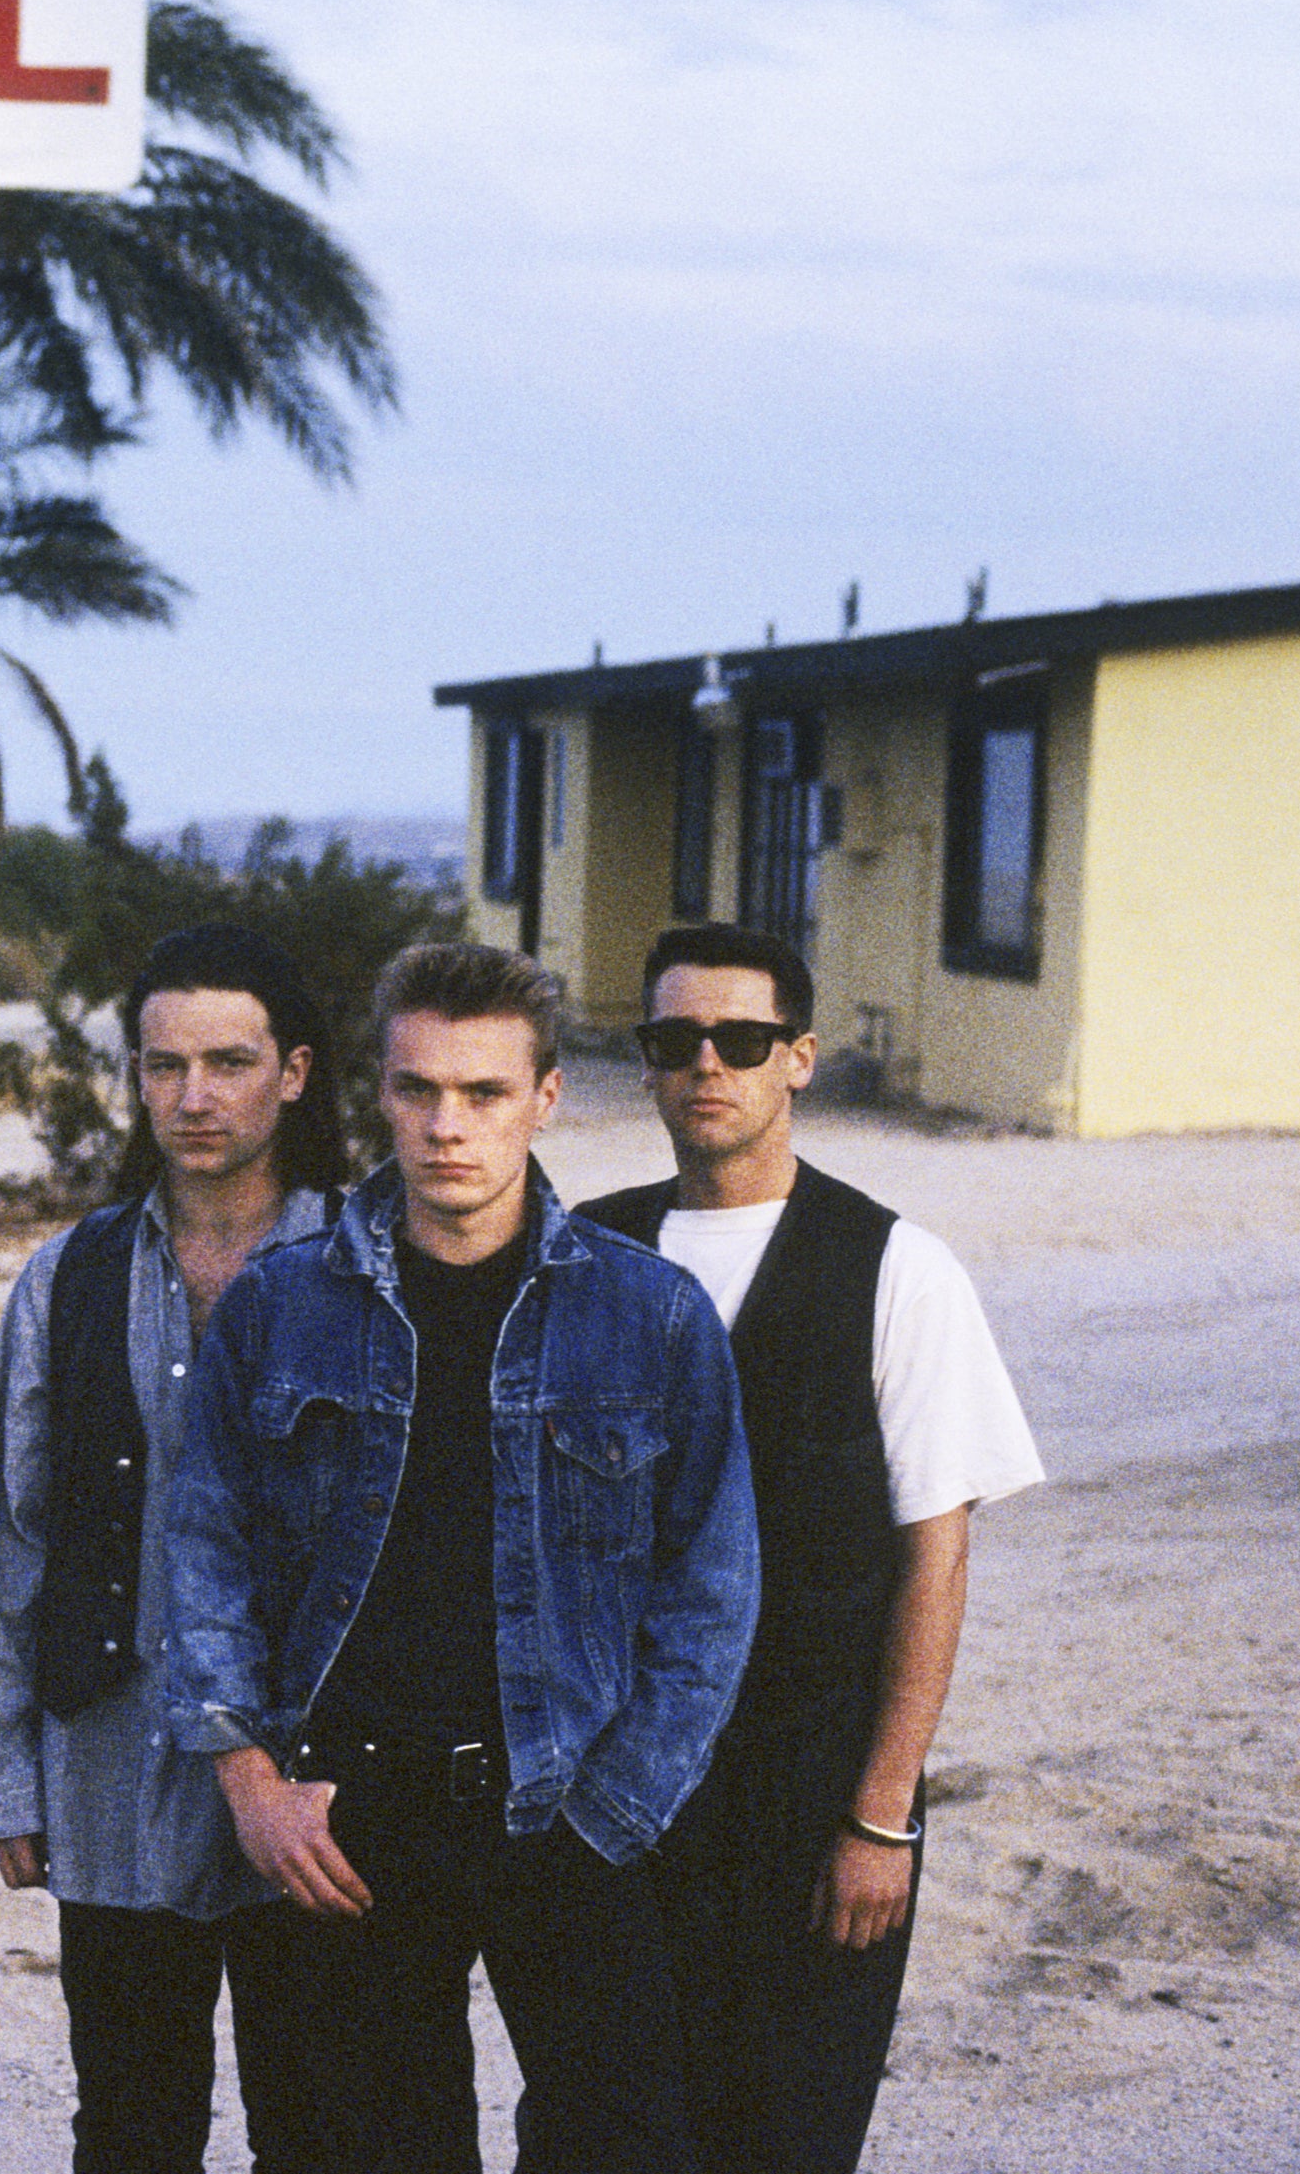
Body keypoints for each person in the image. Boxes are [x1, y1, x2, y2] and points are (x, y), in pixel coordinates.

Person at [163, 940, 759, 2174]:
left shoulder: (649, 1316)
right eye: (418, 1090)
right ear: (378, 1094)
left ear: (544, 1100)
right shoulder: (281, 1310)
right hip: (348, 1822)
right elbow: (204, 1550)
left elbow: (712, 1588)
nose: (448, 1127)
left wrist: (620, 1807)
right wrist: (251, 1782)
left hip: (569, 1808)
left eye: (484, 1094)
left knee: (624, 2148)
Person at [578, 923, 1043, 2174]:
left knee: (783, 2136)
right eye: (677, 1042)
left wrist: (881, 1817)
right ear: (647, 1064)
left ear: (802, 1058)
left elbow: (934, 1561)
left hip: (814, 1800)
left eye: (741, 1040)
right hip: (623, 1798)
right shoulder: (588, 1252)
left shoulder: (897, 1268)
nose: (707, 1067)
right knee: (603, 2130)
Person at [0, 923, 354, 2174]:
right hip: (110, 1758)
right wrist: (2, 1774)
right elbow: (9, 1538)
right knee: (129, 2123)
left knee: (322, 2118)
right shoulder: (66, 1279)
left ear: (294, 1073)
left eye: (229, 1062)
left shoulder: (371, 1264)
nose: (194, 1096)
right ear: (133, 1077)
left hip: (316, 1777)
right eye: (164, 1065)